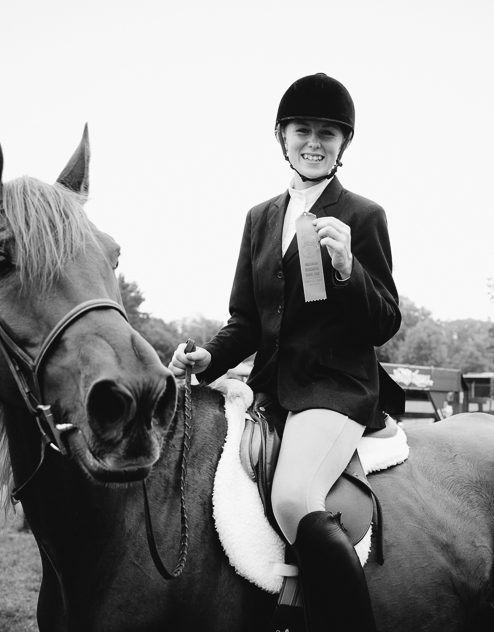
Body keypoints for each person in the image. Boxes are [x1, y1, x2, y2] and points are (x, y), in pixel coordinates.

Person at [169, 73, 403, 632]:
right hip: (269, 389)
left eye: (328, 132)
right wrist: (209, 360)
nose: (314, 141)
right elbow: (248, 320)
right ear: (282, 136)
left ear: (345, 144)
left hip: (334, 389)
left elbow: (385, 323)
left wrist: (351, 271)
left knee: (295, 498)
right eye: (303, 129)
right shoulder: (260, 218)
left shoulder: (364, 216)